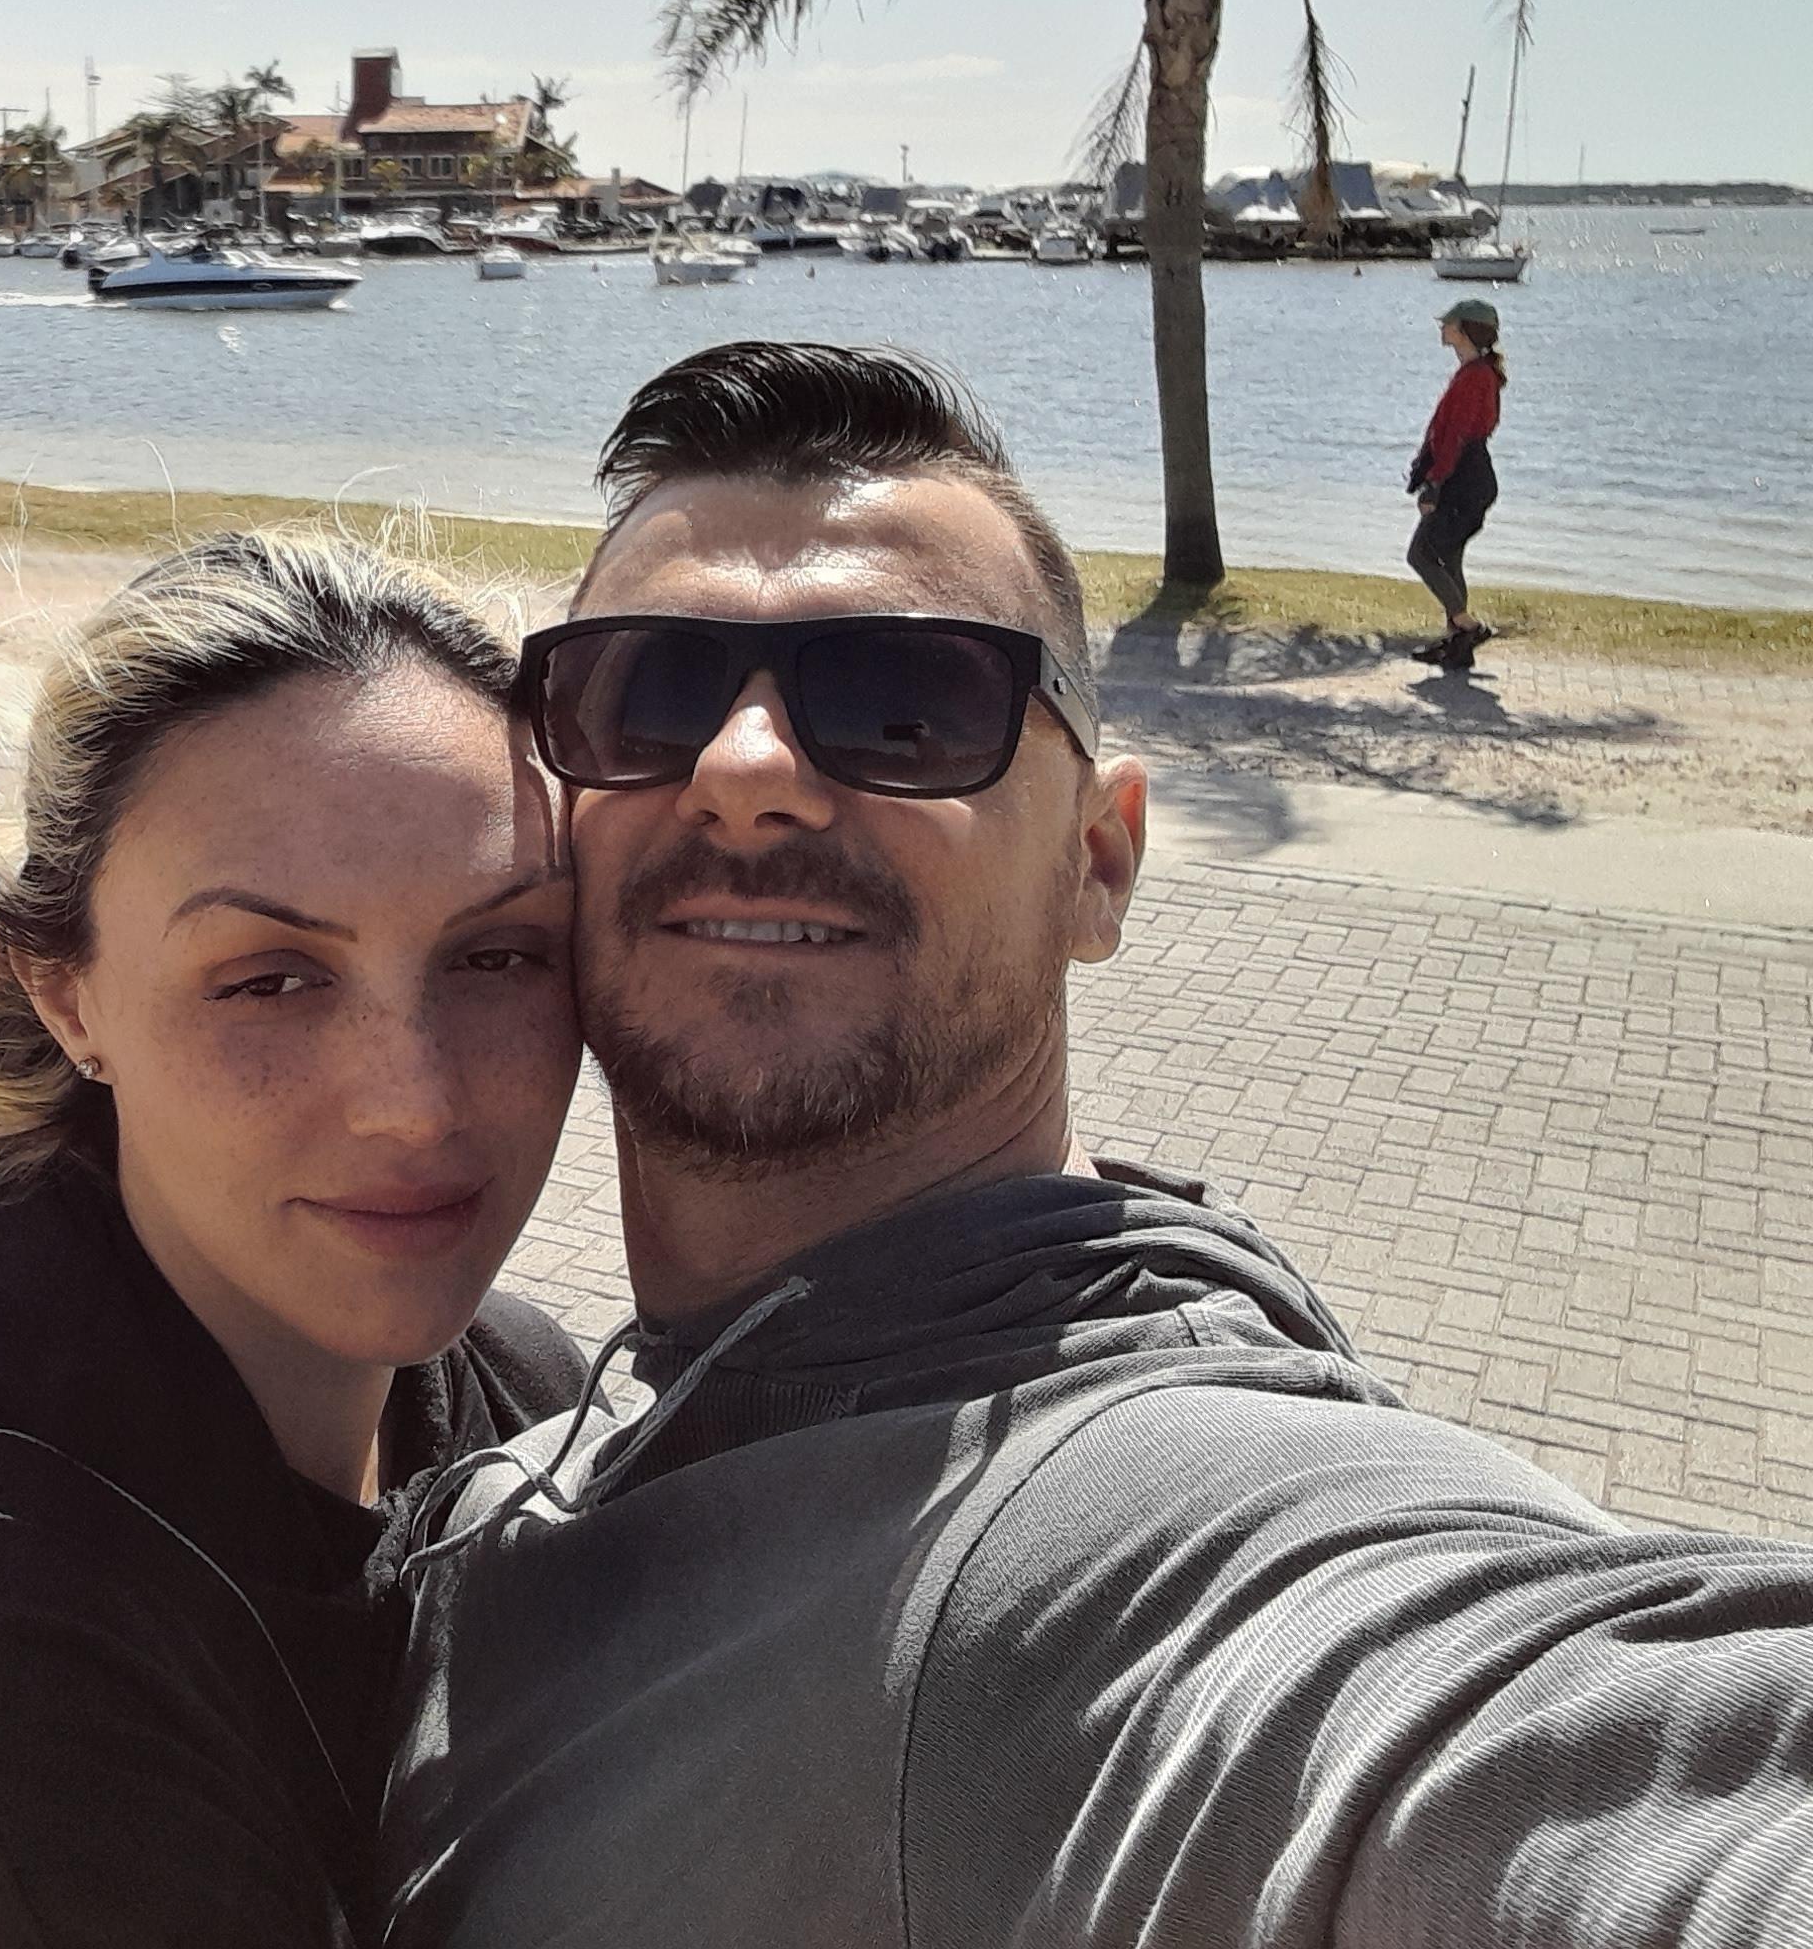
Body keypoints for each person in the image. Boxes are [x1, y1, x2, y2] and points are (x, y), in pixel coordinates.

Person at [381, 341, 1813, 1948]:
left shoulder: (1176, 1548)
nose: (746, 771)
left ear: (1101, 863)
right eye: (646, 692)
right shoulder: (521, 1410)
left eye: (907, 704)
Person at [0, 532, 591, 1948]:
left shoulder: (522, 1398)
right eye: (269, 980)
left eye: (500, 955)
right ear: (69, 995)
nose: (414, 1103)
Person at [1407, 297, 1507, 670]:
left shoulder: (1476, 376)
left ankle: (1468, 626)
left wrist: (1435, 483)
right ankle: (1457, 645)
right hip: (1467, 474)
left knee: (1421, 554)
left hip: (1464, 477)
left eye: (1448, 323)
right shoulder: (1474, 372)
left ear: (1465, 330)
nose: (1442, 328)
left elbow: (1457, 437)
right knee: (1448, 558)